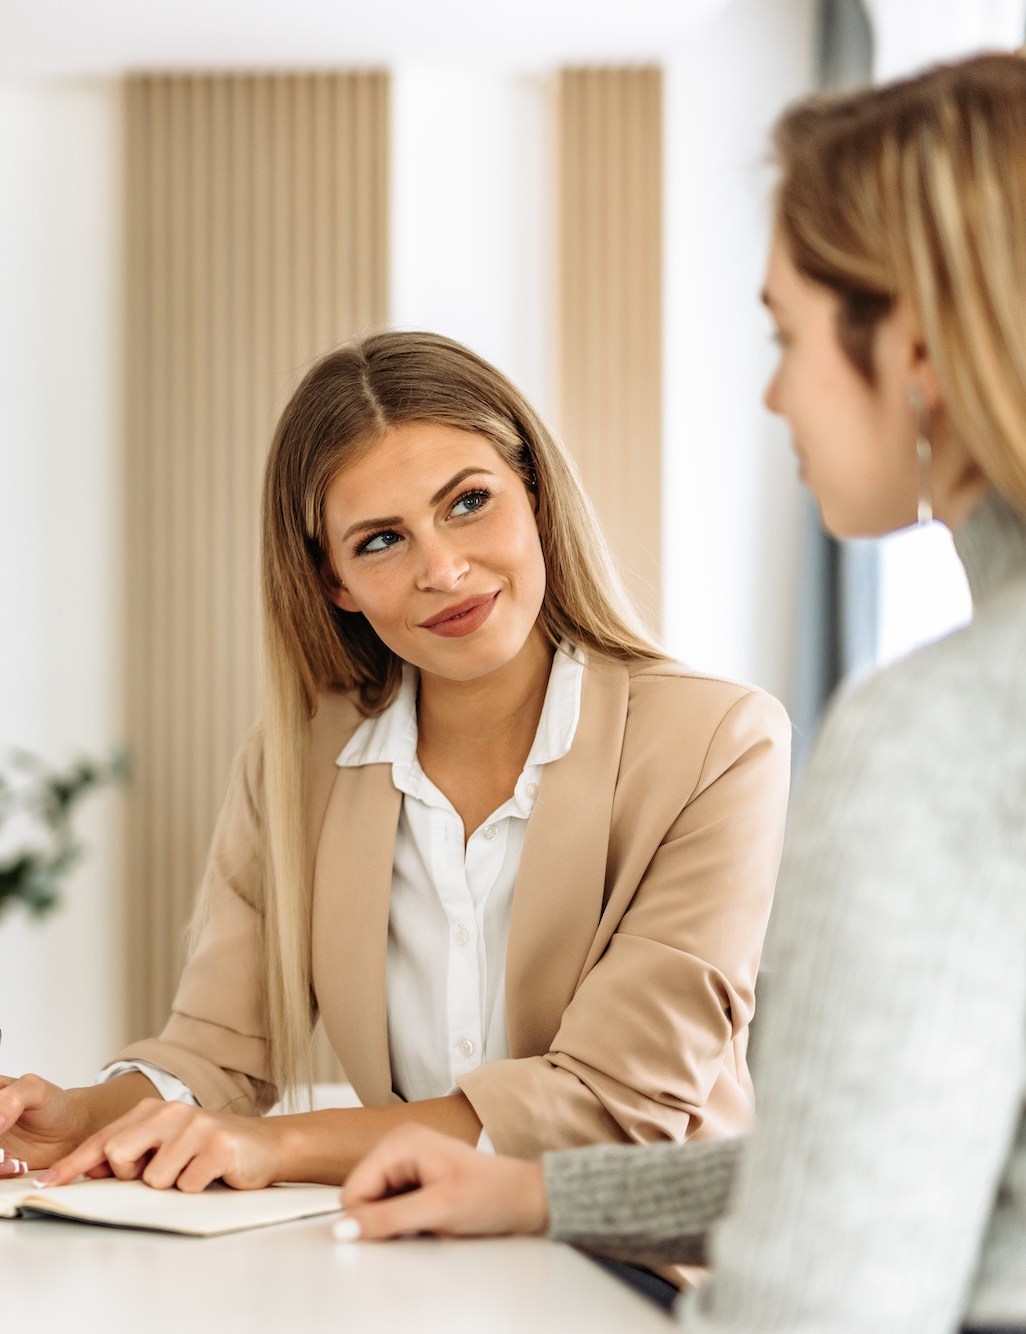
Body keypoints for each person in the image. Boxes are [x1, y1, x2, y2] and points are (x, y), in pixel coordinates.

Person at [334, 52, 1026, 1333]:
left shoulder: (933, 734)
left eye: (787, 332)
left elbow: (821, 1298)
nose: (770, 388)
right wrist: (537, 1194)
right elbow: (897, 1161)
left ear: (916, 348)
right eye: (375, 540)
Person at [0, 330, 791, 1200]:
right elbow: (218, 1049)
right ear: (333, 579)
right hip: (405, 1260)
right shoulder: (299, 764)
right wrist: (86, 1114)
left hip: (643, 1280)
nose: (443, 569)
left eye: (469, 502)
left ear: (535, 495)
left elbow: (616, 1108)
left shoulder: (718, 743)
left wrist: (284, 1145)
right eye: (380, 541)